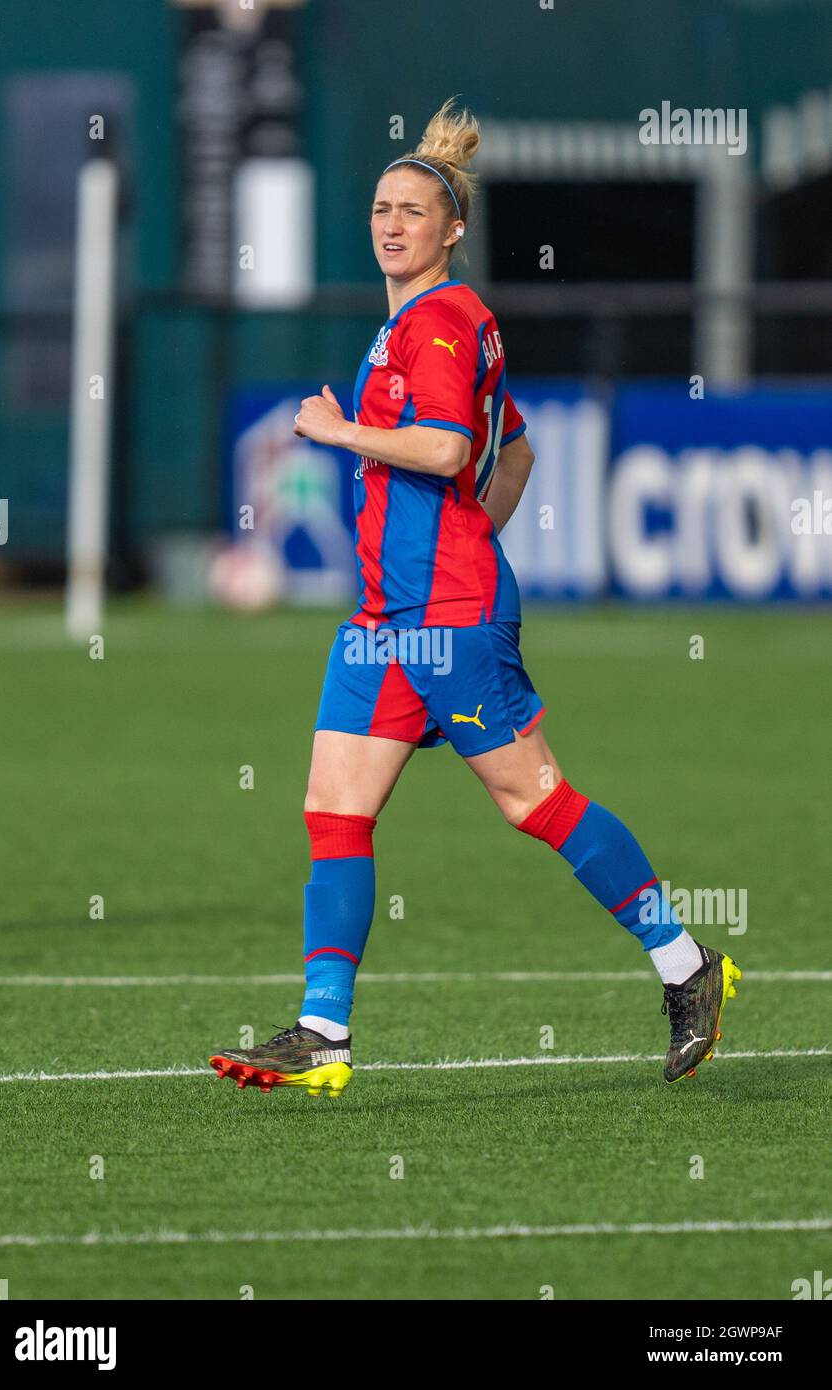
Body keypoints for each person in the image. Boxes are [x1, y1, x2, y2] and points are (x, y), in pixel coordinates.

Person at [210, 98, 740, 1098]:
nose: (392, 224)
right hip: (384, 619)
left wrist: (342, 439)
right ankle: (324, 1032)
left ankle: (687, 965)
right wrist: (473, 522)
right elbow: (519, 442)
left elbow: (455, 448)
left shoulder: (444, 319)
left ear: (453, 230)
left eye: (414, 211)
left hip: (447, 614)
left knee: (532, 799)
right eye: (381, 207)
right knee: (334, 806)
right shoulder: (413, 323)